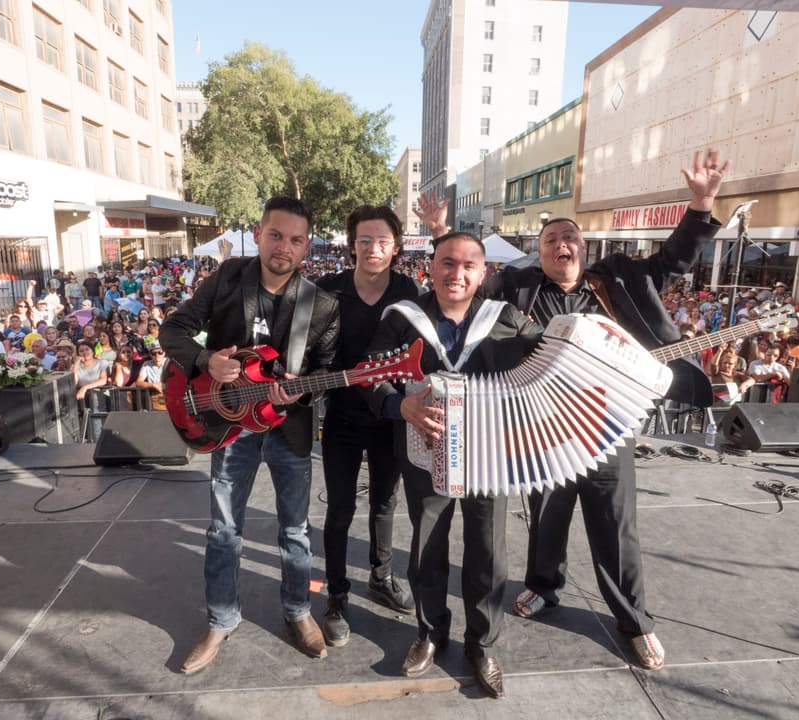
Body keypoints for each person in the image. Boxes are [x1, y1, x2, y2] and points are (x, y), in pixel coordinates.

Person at [435, 148, 724, 674]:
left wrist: (700, 203)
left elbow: (674, 260)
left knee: (615, 525)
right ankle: (544, 586)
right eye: (551, 240)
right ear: (538, 252)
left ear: (583, 249)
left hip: (608, 427)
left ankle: (634, 621)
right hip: (543, 427)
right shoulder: (514, 289)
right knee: (546, 518)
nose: (561, 245)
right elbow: (462, 274)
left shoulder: (616, 281)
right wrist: (442, 234)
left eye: (570, 238)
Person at [162, 197, 340, 674]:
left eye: (296, 240)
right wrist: (204, 361)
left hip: (289, 432)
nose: (284, 247)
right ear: (258, 234)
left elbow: (323, 372)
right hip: (227, 426)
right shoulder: (226, 279)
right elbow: (173, 329)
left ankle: (298, 611)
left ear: (307, 247)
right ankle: (221, 620)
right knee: (223, 529)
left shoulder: (320, 306)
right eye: (276, 235)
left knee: (296, 531)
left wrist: (296, 396)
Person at [364, 231, 541, 699]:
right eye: (447, 263)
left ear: (483, 273)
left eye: (468, 265)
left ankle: (482, 644)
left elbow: (549, 366)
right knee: (428, 548)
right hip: (426, 453)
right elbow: (370, 376)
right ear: (431, 266)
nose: (456, 273)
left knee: (487, 551)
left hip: (491, 456)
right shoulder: (404, 320)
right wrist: (397, 407)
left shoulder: (508, 322)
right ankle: (429, 633)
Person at [314, 205, 421, 647]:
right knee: (339, 509)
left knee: (384, 502)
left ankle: (381, 576)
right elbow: (311, 348)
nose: (372, 249)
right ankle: (337, 595)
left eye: (382, 241)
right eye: (364, 240)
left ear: (395, 248)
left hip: (388, 415)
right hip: (340, 416)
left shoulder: (406, 289)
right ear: (350, 243)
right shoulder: (327, 289)